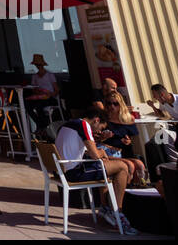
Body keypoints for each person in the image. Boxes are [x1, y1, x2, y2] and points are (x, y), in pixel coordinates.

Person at [53, 106, 137, 234]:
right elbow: (95, 154)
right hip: (73, 172)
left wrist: (100, 148)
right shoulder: (83, 125)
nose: (99, 130)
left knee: (104, 167)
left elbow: (83, 149)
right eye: (101, 127)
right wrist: (101, 152)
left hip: (62, 170)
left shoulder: (69, 124)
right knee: (122, 167)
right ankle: (117, 213)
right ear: (96, 120)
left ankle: (104, 207)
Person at [100, 88, 147, 183]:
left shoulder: (128, 119)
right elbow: (94, 140)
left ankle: (137, 189)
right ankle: (125, 191)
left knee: (140, 165)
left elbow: (134, 140)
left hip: (124, 152)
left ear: (121, 104)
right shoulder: (103, 119)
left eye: (115, 104)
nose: (112, 106)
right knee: (130, 165)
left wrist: (128, 141)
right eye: (109, 103)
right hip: (107, 152)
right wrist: (103, 137)